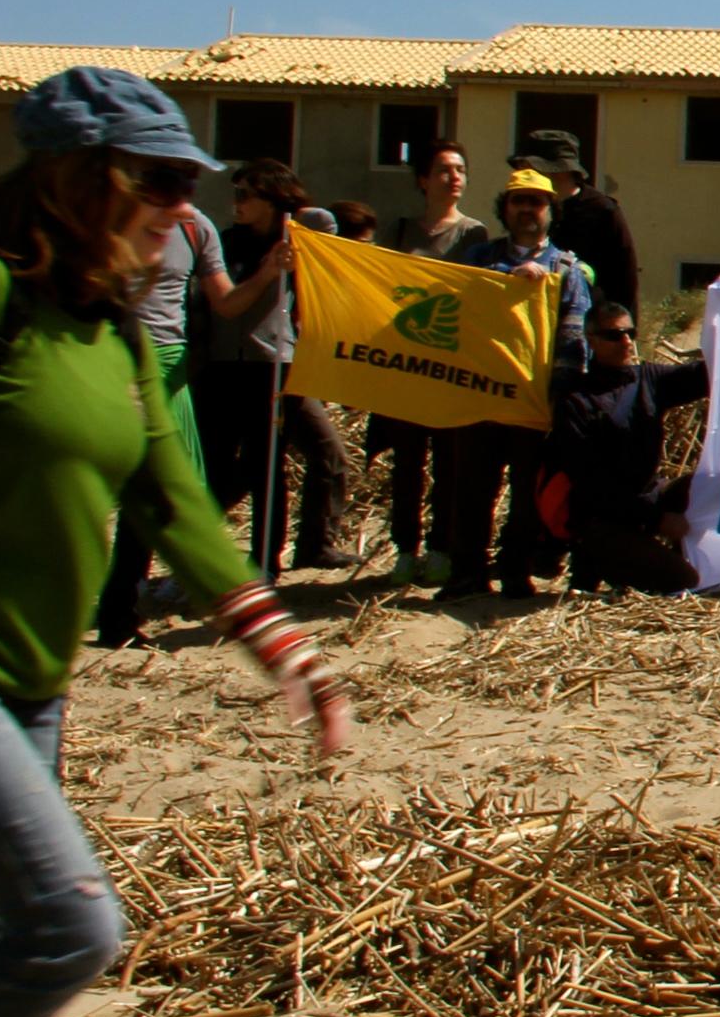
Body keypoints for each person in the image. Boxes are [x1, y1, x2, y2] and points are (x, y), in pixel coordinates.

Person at [0, 67, 352, 1017]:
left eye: (187, 185)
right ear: (78, 176)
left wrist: (286, 649)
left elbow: (177, 506)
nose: (178, 206)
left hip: (35, 689)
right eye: (157, 182)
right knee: (70, 928)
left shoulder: (105, 320)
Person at [196, 160, 360, 573]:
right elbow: (229, 305)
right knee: (217, 468)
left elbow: (325, 223)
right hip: (221, 368)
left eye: (246, 194)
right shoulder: (226, 242)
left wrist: (296, 223)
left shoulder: (297, 240)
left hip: (273, 366)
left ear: (272, 200)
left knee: (269, 468)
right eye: (235, 193)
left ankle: (270, 559)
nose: (236, 202)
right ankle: (200, 555)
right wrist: (269, 271)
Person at [89, 176, 233, 647]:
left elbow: (226, 301)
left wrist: (275, 270)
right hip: (110, 358)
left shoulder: (197, 230)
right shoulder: (109, 220)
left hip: (170, 369)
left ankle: (118, 612)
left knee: (160, 494)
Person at [437, 166, 589, 603]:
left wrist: (563, 402)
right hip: (479, 399)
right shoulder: (477, 260)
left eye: (537, 202)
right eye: (518, 201)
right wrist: (507, 286)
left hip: (533, 405)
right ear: (504, 209)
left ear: (550, 212)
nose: (528, 210)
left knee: (526, 499)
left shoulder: (566, 269)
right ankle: (466, 573)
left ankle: (516, 572)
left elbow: (573, 340)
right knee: (470, 492)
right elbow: (456, 313)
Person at [368, 141, 491, 585]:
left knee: (449, 464)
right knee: (407, 464)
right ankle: (406, 548)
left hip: (452, 368)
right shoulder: (400, 232)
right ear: (423, 179)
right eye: (443, 169)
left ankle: (442, 547)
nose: (453, 177)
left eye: (460, 169)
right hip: (405, 367)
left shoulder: (473, 234)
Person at [546, 303, 709, 595]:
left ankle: (656, 554)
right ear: (591, 340)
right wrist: (657, 520)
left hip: (648, 500)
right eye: (614, 335)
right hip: (604, 519)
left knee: (708, 486)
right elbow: (591, 485)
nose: (625, 342)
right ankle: (597, 563)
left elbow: (705, 376)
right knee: (684, 581)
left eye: (630, 333)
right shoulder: (576, 401)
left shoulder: (649, 379)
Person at [515, 127, 638, 317]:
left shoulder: (603, 212)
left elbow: (624, 281)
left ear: (558, 170)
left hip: (588, 326)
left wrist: (619, 334)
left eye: (531, 169)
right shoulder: (524, 209)